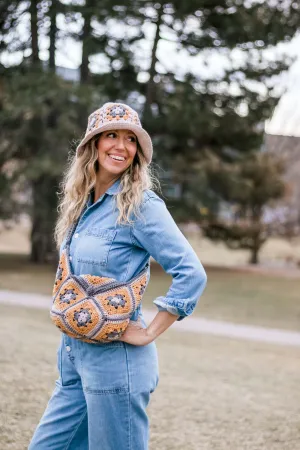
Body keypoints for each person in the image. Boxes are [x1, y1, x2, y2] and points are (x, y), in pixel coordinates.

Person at [28, 102, 207, 450]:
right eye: (111, 135)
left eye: (130, 139)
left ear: (138, 152)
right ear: (93, 144)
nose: (121, 147)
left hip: (116, 365)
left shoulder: (141, 205)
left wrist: (150, 332)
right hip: (72, 358)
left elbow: (191, 273)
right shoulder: (80, 204)